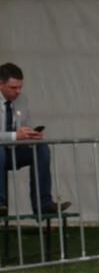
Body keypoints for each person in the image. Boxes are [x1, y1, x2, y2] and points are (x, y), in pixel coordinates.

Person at [0, 62, 69, 216]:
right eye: (13, 88)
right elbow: (13, 134)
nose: (18, 91)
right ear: (1, 84)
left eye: (20, 87)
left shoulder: (22, 100)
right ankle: (0, 203)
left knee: (40, 148)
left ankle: (43, 204)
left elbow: (22, 125)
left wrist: (29, 134)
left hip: (12, 150)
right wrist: (15, 136)